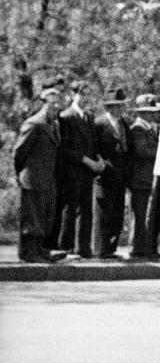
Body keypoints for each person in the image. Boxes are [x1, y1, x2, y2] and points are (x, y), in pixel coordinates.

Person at [13, 82, 64, 263]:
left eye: (58, 104)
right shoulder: (34, 124)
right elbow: (19, 152)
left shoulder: (54, 125)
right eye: (52, 104)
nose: (56, 108)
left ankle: (39, 249)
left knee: (45, 216)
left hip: (47, 178)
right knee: (32, 217)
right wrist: (20, 174)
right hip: (32, 178)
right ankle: (29, 252)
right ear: (44, 104)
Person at [55, 81, 105, 259]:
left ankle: (83, 248)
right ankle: (66, 248)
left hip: (88, 171)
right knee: (70, 209)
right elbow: (63, 149)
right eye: (82, 93)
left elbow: (93, 143)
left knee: (86, 210)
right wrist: (86, 160)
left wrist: (98, 159)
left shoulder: (89, 117)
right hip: (73, 170)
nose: (85, 97)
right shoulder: (66, 117)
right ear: (73, 94)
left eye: (88, 93)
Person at [91, 88, 132, 259]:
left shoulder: (124, 124)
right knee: (103, 214)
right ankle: (100, 249)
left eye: (121, 106)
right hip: (105, 176)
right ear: (108, 107)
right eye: (115, 106)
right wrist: (100, 161)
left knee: (117, 215)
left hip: (120, 176)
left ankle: (111, 249)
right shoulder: (100, 124)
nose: (119, 109)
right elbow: (93, 147)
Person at [126, 94, 160, 259]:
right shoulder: (138, 129)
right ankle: (138, 248)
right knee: (140, 215)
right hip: (140, 179)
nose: (152, 115)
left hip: (148, 179)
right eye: (148, 112)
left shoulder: (148, 129)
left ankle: (146, 247)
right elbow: (142, 151)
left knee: (147, 215)